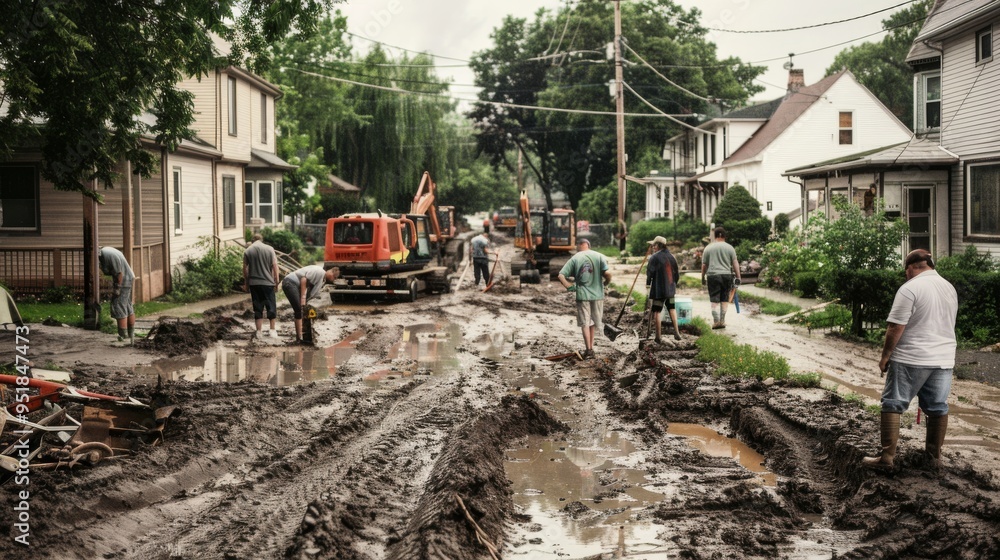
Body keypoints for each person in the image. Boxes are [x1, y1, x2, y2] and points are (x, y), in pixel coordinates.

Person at [863, 249, 957, 470]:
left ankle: (886, 458)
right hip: (943, 358)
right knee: (937, 407)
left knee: (893, 403)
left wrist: (885, 356)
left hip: (911, 358)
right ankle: (933, 459)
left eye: (906, 271)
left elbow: (896, 326)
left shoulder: (910, 288)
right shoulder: (949, 287)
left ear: (911, 267)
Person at [558, 238, 612, 358]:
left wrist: (568, 286)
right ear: (588, 245)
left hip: (583, 295)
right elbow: (607, 274)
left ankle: (589, 350)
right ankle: (590, 348)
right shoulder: (599, 256)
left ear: (579, 245)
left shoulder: (575, 258)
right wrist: (606, 283)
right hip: (597, 295)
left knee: (585, 323)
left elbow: (561, 275)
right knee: (592, 322)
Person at [281, 265, 340, 343]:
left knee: (301, 311)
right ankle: (298, 339)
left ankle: (300, 337)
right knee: (298, 309)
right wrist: (303, 298)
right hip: (290, 282)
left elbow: (312, 292)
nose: (334, 279)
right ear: (330, 272)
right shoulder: (319, 272)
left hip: (294, 284)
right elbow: (303, 279)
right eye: (334, 277)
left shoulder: (322, 279)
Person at [701, 227, 741, 329]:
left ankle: (716, 322)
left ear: (715, 236)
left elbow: (704, 265)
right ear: (724, 236)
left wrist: (702, 277)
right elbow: (735, 263)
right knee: (724, 299)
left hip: (713, 276)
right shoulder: (730, 248)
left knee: (714, 300)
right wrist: (738, 277)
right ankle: (722, 321)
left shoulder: (708, 248)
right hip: (726, 275)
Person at [243, 234, 280, 339]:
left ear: (252, 240)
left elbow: (245, 269)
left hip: (254, 284)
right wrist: (276, 282)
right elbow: (275, 266)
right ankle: (272, 330)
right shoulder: (269, 249)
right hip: (268, 283)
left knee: (258, 307)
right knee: (271, 306)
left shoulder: (248, 251)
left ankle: (259, 332)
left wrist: (246, 283)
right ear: (261, 240)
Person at [646, 236, 681, 343]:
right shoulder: (672, 257)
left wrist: (648, 286)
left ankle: (658, 336)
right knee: (672, 308)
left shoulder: (654, 258)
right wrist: (673, 285)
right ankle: (677, 332)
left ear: (658, 245)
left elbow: (649, 274)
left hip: (659, 290)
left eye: (653, 245)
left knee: (657, 311)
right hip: (670, 290)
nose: (652, 247)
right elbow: (677, 275)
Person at [98, 246, 136, 346]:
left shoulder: (107, 255)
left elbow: (119, 273)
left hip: (123, 280)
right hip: (128, 278)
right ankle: (131, 334)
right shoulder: (106, 251)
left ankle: (123, 338)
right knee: (127, 305)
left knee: (119, 306)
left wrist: (117, 288)